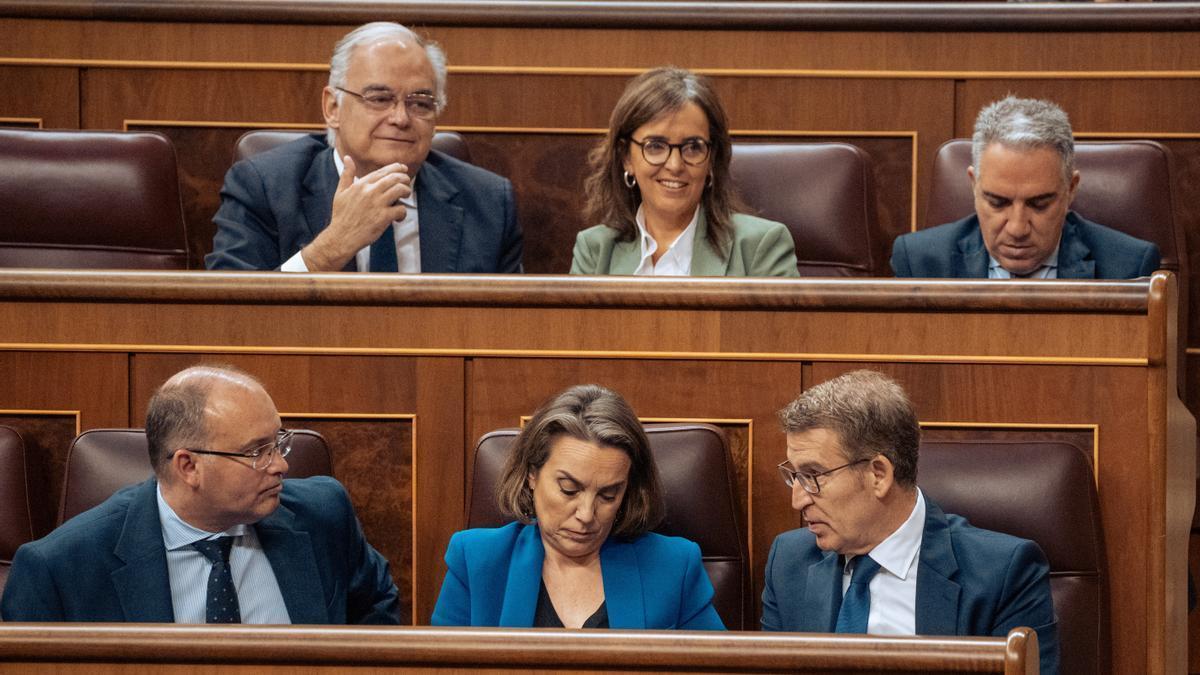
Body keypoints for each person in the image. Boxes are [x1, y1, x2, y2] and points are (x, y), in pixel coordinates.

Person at [0, 365, 400, 624]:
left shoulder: (324, 515)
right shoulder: (61, 567)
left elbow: (377, 612)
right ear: (188, 466)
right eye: (257, 451)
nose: (280, 465)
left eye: (279, 442)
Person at [760, 370, 1059, 675]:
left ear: (878, 474)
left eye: (814, 476)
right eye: (795, 476)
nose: (798, 500)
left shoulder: (1003, 573)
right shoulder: (789, 561)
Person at [206, 22, 523, 273]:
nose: (400, 118)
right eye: (379, 99)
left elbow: (511, 331)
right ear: (332, 107)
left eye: (420, 103)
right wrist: (333, 246)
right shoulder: (263, 187)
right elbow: (227, 316)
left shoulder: (490, 203)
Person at [431, 384, 724, 629]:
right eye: (569, 490)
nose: (586, 515)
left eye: (608, 495)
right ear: (532, 474)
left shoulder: (674, 565)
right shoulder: (476, 560)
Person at [891, 95, 1159, 279]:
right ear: (974, 185)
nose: (1017, 228)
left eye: (1039, 204)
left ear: (1071, 189)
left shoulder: (1128, 268)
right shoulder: (920, 263)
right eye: (998, 202)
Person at [570, 67, 799, 277]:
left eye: (693, 147)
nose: (675, 165)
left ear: (711, 159)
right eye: (656, 146)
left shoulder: (759, 247)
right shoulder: (595, 251)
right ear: (626, 157)